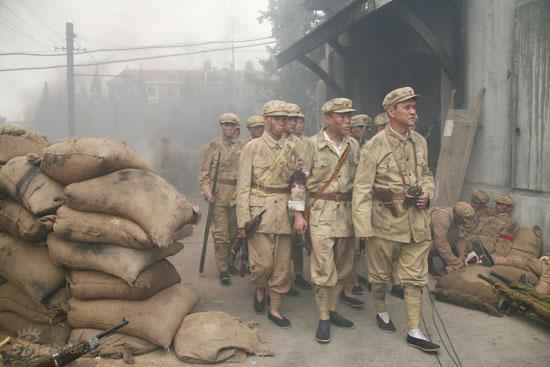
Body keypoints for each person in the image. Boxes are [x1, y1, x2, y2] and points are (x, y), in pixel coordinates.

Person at [353, 86, 440, 352]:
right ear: (391, 111)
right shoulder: (374, 145)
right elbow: (362, 189)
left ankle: (414, 329)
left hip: (417, 223)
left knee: (415, 278)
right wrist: (363, 228)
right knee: (379, 276)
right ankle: (381, 310)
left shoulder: (420, 142)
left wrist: (427, 192)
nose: (414, 112)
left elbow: (426, 174)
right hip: (385, 224)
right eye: (407, 107)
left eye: (415, 107)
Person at [294, 97, 359, 343]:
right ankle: (323, 318)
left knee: (344, 267)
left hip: (348, 213)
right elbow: (299, 182)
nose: (347, 120)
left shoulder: (354, 144)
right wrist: (299, 215)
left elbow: (360, 181)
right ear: (328, 118)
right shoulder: (311, 145)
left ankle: (333, 310)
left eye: (349, 116)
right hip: (320, 213)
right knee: (323, 268)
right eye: (341, 116)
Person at [236, 100, 302, 328]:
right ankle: (260, 287)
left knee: (283, 265)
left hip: (285, 211)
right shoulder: (252, 147)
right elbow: (243, 186)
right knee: (262, 264)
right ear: (266, 120)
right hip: (259, 213)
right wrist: (242, 221)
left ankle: (275, 308)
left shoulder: (294, 148)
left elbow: (298, 184)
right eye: (277, 118)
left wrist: (300, 214)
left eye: (285, 119)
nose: (282, 123)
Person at [199, 113, 244, 285]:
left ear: (236, 127)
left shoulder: (243, 145)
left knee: (234, 233)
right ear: (221, 127)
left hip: (237, 195)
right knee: (221, 235)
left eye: (233, 125)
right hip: (218, 196)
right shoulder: (212, 146)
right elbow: (204, 174)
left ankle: (231, 261)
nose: (229, 128)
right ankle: (223, 268)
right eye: (226, 125)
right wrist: (207, 191)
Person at [285, 103, 313, 295]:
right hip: (286, 195)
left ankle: (299, 275)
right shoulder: (284, 142)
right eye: (291, 120)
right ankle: (283, 279)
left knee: (300, 240)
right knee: (285, 239)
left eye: (299, 120)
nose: (295, 124)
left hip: (307, 194)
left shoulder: (310, 143)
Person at [429, 202, 476, 276]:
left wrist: (461, 254)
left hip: (439, 240)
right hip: (425, 239)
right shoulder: (442, 217)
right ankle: (430, 262)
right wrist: (455, 262)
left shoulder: (458, 220)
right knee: (432, 247)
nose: (464, 223)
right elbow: (440, 243)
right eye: (463, 221)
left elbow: (461, 238)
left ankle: (444, 261)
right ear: (457, 216)